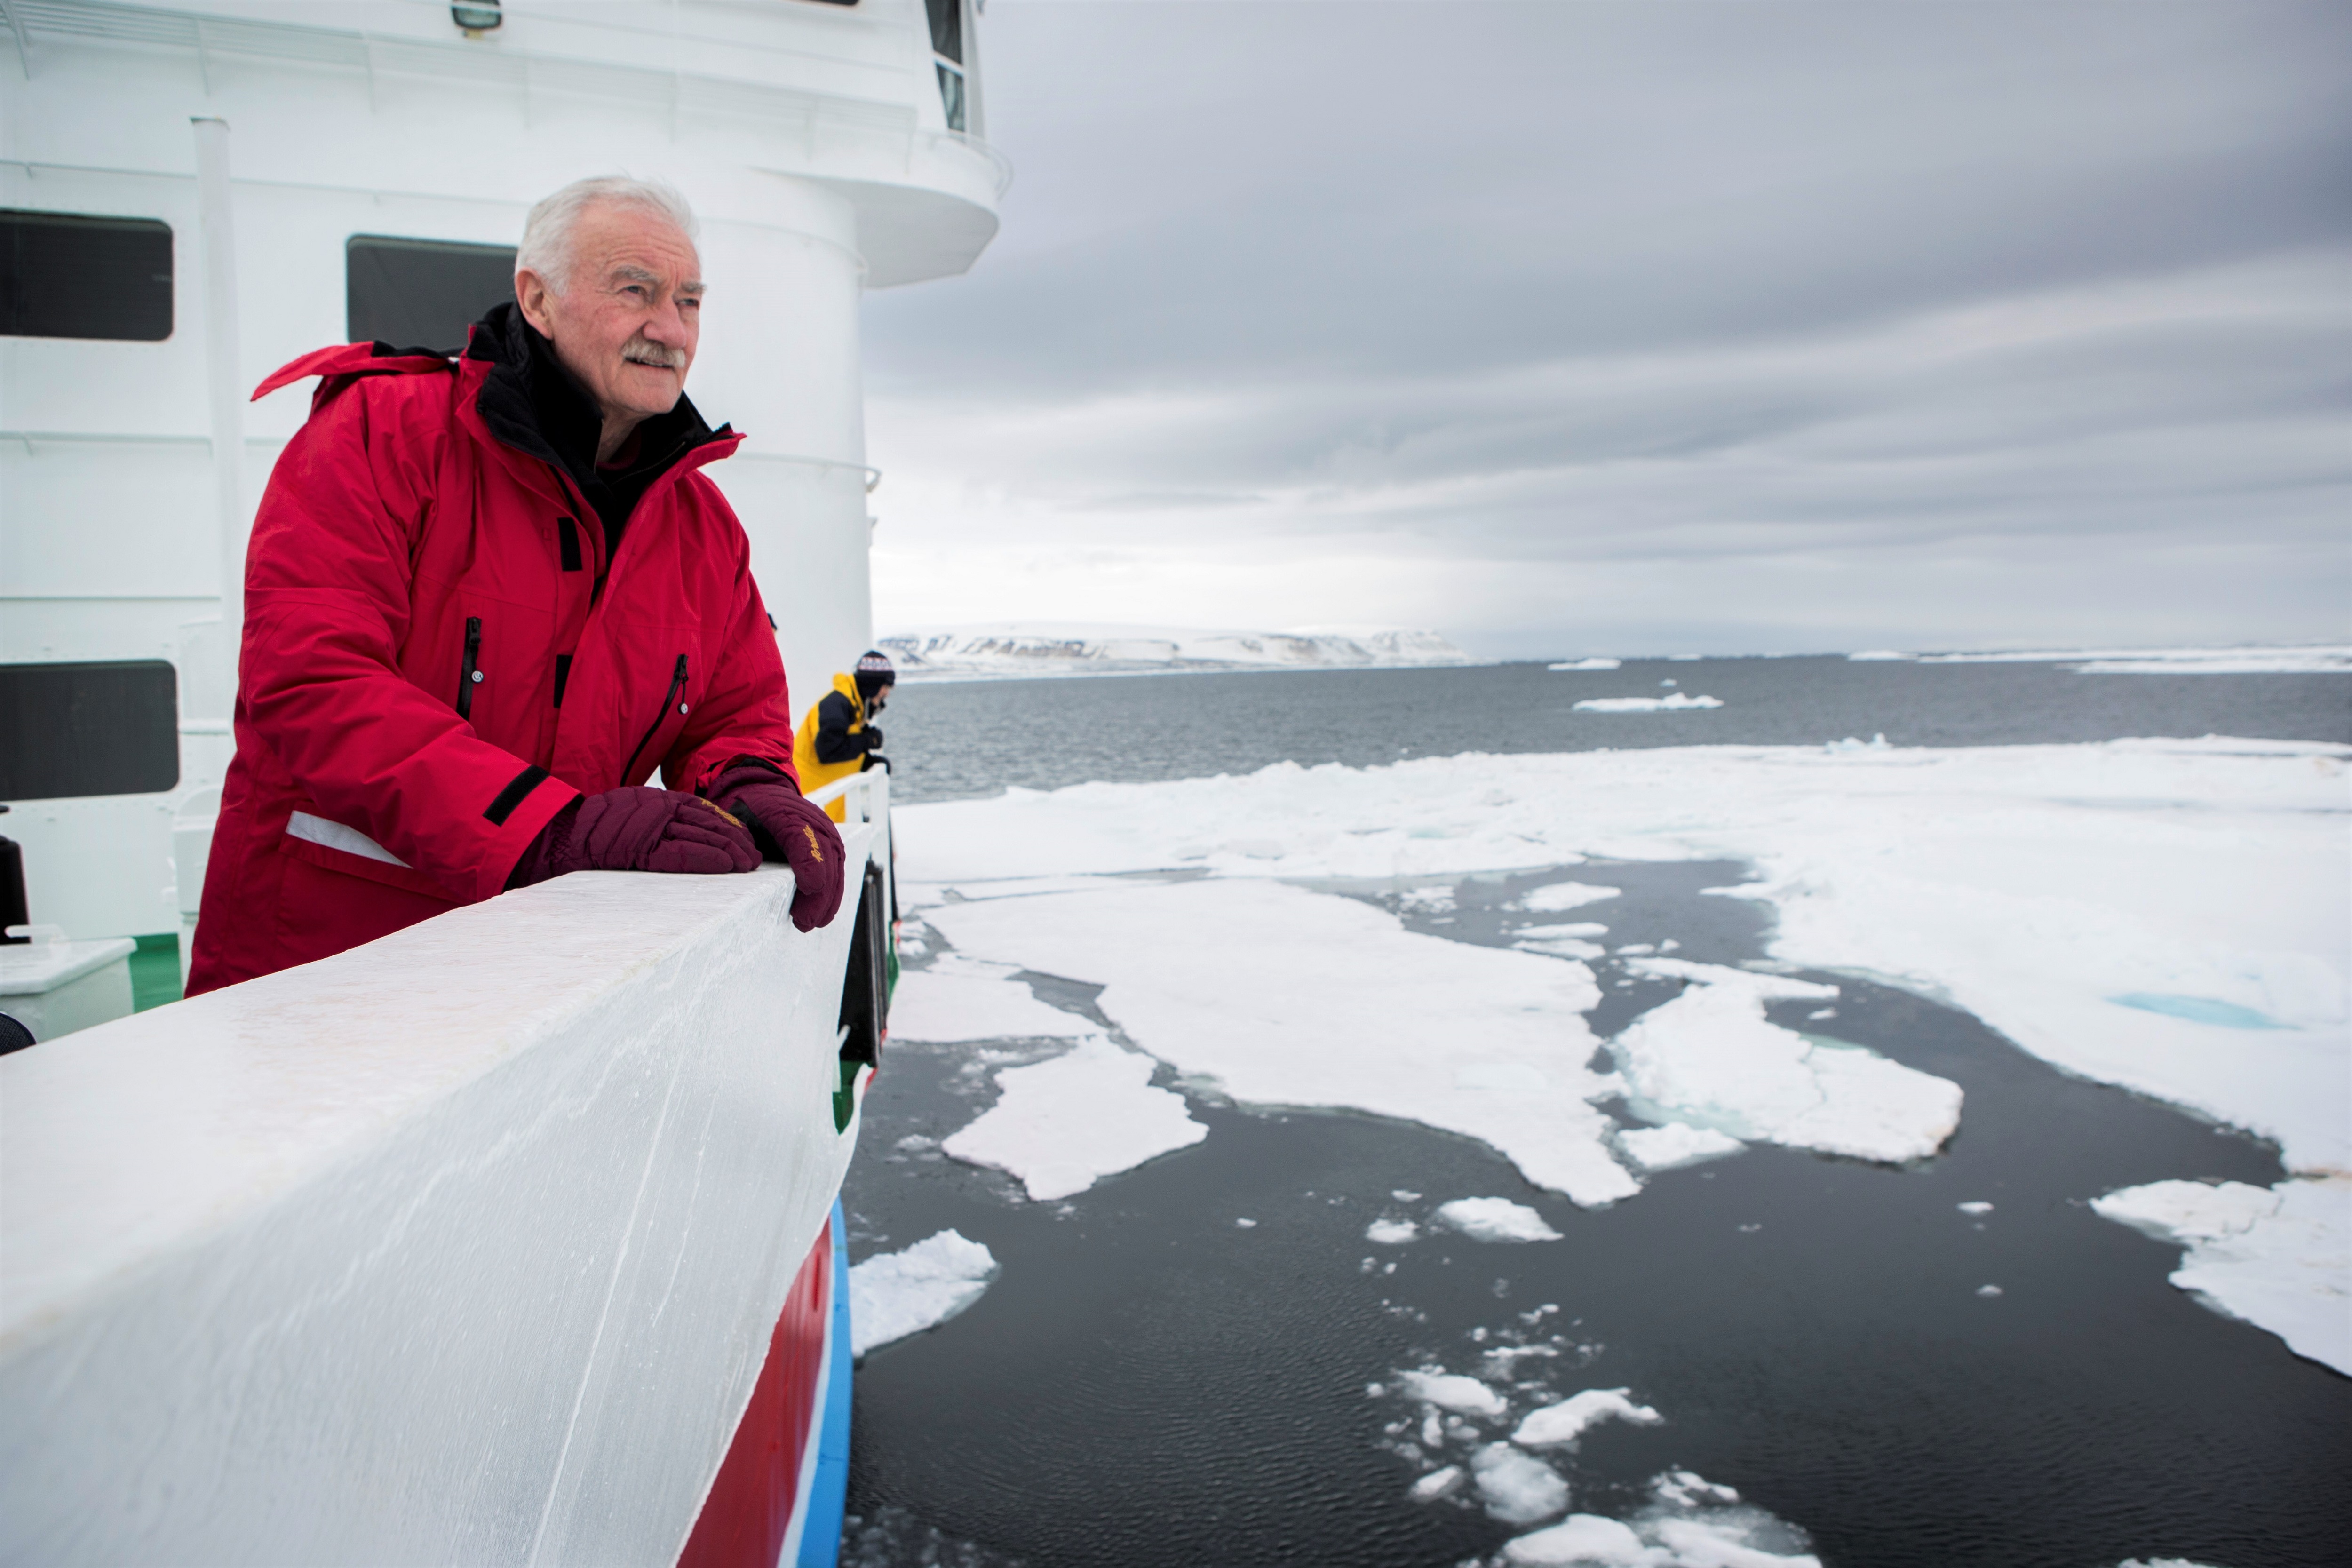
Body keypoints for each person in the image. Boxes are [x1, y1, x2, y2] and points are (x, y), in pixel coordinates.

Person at [187, 176, 846, 996]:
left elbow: (731, 708)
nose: (669, 330)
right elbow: (314, 683)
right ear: (537, 298)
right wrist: (548, 827)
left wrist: (750, 787)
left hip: (540, 988)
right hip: (325, 987)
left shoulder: (699, 524)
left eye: (689, 301)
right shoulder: (383, 435)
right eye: (634, 291)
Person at [793, 651, 893, 821]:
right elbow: (828, 751)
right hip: (810, 800)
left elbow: (843, 745)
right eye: (885, 687)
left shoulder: (852, 705)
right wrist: (867, 741)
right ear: (872, 685)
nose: (886, 694)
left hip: (828, 804)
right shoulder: (836, 706)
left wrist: (866, 762)